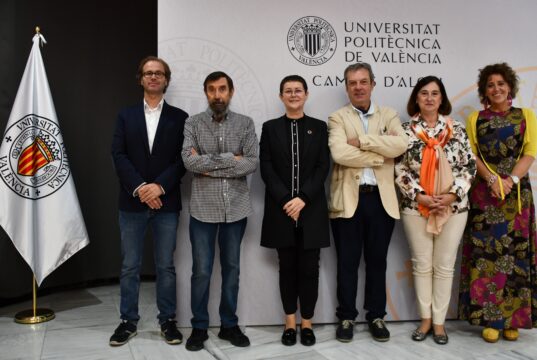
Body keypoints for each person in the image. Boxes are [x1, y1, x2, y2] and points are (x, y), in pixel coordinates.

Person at [110, 56, 188, 346]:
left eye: (159, 73)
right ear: (140, 79)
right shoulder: (125, 115)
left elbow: (183, 159)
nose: (153, 77)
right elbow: (118, 155)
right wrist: (143, 188)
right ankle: (127, 321)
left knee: (165, 265)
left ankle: (167, 321)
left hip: (166, 204)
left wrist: (159, 187)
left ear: (166, 79)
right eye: (148, 73)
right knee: (130, 265)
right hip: (131, 204)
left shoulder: (180, 117)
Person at [328, 62, 408, 342]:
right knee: (347, 263)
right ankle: (346, 317)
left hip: (381, 201)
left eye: (363, 82)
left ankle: (376, 316)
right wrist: (378, 154)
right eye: (353, 83)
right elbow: (339, 153)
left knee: (377, 262)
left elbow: (400, 145)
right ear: (347, 87)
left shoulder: (389, 114)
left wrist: (361, 141)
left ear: (373, 84)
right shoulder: (337, 117)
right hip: (348, 200)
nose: (358, 87)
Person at [459, 63, 537, 343]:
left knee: (515, 256)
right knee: (488, 257)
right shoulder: (475, 119)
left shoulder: (525, 115)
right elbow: (471, 155)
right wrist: (493, 180)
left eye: (501, 83)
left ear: (510, 87)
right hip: (485, 194)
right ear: (484, 91)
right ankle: (490, 320)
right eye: (490, 85)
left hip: (516, 196)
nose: (496, 89)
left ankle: (512, 319)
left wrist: (510, 181)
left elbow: (530, 152)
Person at [395, 76, 476, 345]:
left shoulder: (458, 130)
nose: (429, 98)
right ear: (416, 99)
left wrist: (452, 195)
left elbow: (469, 166)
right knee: (422, 265)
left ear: (442, 99)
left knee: (443, 267)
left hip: (453, 208)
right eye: (424, 93)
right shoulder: (404, 131)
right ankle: (425, 320)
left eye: (435, 93)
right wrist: (421, 195)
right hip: (416, 206)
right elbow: (400, 168)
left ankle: (439, 323)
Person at [181, 71, 258, 351]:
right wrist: (230, 160)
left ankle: (228, 325)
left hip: (235, 210)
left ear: (231, 91)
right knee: (201, 271)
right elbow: (189, 164)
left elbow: (250, 163)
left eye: (222, 89)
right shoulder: (193, 123)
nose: (217, 95)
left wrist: (208, 163)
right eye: (212, 89)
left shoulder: (245, 123)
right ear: (206, 92)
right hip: (202, 210)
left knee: (232, 269)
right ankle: (199, 327)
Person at [259, 75, 330, 347]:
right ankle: (290, 323)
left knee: (310, 268)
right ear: (281, 96)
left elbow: (323, 167)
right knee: (286, 268)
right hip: (281, 210)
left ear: (306, 94)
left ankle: (308, 323)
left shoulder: (319, 127)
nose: (293, 94)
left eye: (297, 90)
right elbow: (266, 167)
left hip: (311, 209)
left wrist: (302, 199)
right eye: (287, 91)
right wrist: (287, 201)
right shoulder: (270, 128)